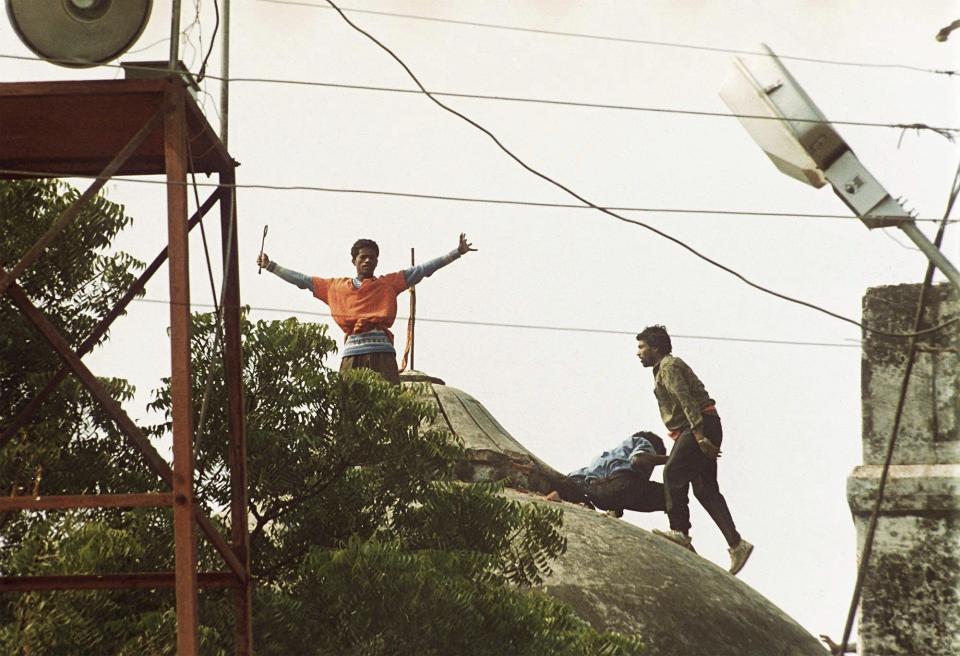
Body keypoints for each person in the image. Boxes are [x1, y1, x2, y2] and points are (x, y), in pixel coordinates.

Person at [257, 233, 475, 384]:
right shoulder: (336, 287)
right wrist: (271, 266)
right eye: (363, 257)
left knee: (390, 408)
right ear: (354, 260)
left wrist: (456, 252)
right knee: (347, 408)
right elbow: (302, 281)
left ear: (377, 261)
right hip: (353, 354)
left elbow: (423, 270)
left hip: (383, 354)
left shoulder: (388, 283)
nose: (368, 261)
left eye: (372, 257)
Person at [635, 324, 753, 575]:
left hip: (698, 426)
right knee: (705, 490)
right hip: (697, 427)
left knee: (672, 474)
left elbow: (686, 399)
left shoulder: (668, 367)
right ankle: (736, 543)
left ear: (656, 348)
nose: (639, 353)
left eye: (642, 347)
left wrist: (699, 437)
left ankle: (680, 532)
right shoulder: (661, 370)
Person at [568, 431, 669, 517]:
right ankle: (679, 531)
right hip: (622, 486)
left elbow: (573, 477)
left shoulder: (605, 457)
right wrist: (671, 459)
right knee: (671, 493)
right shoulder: (641, 441)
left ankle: (614, 509)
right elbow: (638, 460)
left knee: (623, 493)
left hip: (597, 497)